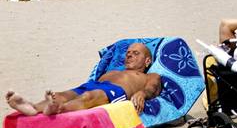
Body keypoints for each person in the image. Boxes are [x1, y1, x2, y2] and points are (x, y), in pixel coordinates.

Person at [6, 42, 162, 116]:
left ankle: (59, 109)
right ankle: (32, 108)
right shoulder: (113, 71)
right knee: (61, 95)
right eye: (128, 52)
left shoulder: (149, 76)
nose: (129, 54)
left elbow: (152, 89)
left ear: (147, 61)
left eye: (136, 53)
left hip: (116, 92)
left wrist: (142, 94)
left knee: (89, 97)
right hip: (94, 84)